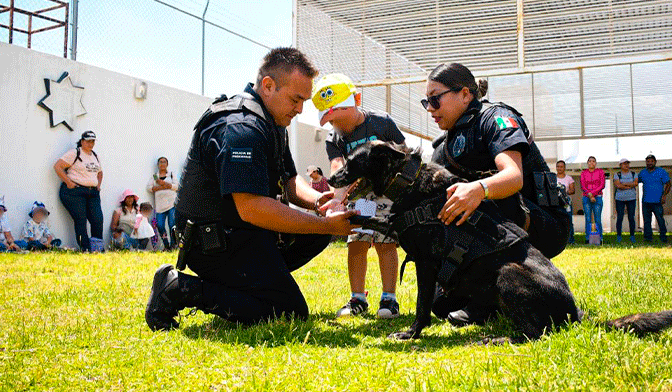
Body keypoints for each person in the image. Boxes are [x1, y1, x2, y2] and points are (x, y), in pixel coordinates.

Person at [145, 47, 359, 332]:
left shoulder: (271, 122)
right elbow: (252, 207)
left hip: (240, 233)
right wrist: (325, 226)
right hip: (212, 243)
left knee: (313, 235)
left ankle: (252, 285)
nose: (300, 110)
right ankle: (180, 287)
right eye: (296, 99)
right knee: (286, 311)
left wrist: (321, 202)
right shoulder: (242, 127)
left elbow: (291, 182)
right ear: (268, 86)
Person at [423, 62, 570, 326]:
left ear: (465, 94)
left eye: (435, 99)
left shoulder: (496, 118)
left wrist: (478, 189)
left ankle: (484, 304)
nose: (430, 109)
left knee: (485, 198)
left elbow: (513, 177)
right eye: (426, 102)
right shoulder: (443, 147)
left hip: (541, 222)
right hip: (495, 227)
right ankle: (495, 297)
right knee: (440, 303)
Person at [312, 73, 404, 319]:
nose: (338, 127)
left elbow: (403, 153)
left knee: (385, 242)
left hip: (385, 192)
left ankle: (389, 299)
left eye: (340, 119)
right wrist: (337, 198)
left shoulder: (382, 123)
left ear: (357, 99)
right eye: (332, 122)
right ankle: (358, 298)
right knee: (357, 241)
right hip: (359, 197)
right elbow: (337, 167)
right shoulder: (335, 137)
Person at [53, 130, 103, 252]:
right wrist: (68, 182)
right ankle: (85, 248)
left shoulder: (95, 155)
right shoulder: (75, 153)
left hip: (92, 193)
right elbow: (58, 166)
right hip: (75, 192)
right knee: (80, 220)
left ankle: (97, 248)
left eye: (92, 141)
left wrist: (98, 185)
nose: (90, 144)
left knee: (97, 219)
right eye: (88, 141)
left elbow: (100, 172)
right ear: (82, 141)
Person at [147, 157, 178, 250]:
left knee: (172, 225)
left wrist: (167, 185)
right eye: (160, 162)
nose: (162, 164)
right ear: (158, 164)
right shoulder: (155, 176)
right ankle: (166, 244)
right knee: (160, 225)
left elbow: (177, 186)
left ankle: (173, 245)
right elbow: (149, 188)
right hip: (160, 206)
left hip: (171, 204)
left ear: (167, 164)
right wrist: (162, 187)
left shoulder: (171, 174)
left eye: (164, 162)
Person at [638, 155, 671, 243]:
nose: (649, 163)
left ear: (655, 162)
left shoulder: (661, 171)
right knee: (647, 221)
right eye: (648, 161)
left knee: (660, 219)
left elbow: (668, 184)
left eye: (651, 161)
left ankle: (663, 237)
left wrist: (664, 196)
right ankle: (648, 238)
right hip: (645, 201)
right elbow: (635, 182)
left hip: (658, 201)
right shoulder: (642, 173)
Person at [580, 156, 605, 244]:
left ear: (596, 163)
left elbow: (602, 185)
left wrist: (593, 194)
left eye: (593, 161)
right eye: (590, 161)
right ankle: (588, 239)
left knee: (598, 218)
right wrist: (590, 195)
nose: (591, 163)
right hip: (587, 197)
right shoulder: (583, 173)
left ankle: (599, 238)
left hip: (597, 197)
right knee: (588, 218)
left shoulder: (600, 172)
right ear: (587, 163)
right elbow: (583, 186)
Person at [613, 158, 638, 243]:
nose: (626, 165)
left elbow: (636, 183)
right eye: (624, 164)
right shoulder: (617, 174)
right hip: (620, 199)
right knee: (620, 217)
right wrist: (629, 186)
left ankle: (632, 236)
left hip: (631, 198)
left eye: (627, 163)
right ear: (620, 165)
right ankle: (619, 236)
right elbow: (618, 185)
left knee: (631, 217)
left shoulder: (634, 173)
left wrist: (624, 184)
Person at [556, 160, 575, 244]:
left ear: (564, 168)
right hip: (556, 202)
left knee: (568, 220)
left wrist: (563, 192)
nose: (559, 168)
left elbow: (572, 190)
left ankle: (571, 240)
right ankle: (559, 241)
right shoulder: (553, 178)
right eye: (558, 166)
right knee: (557, 221)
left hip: (566, 202)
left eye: (561, 166)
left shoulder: (569, 178)